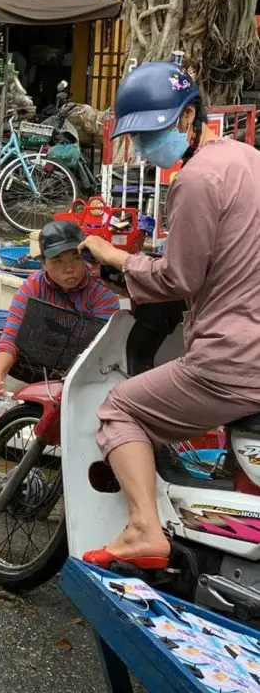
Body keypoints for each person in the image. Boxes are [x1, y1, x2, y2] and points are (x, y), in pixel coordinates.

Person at [79, 60, 260, 570]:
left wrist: (116, 258)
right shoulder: (247, 159)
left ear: (189, 118)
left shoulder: (196, 179)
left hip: (231, 359)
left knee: (121, 408)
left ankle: (143, 528)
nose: (143, 149)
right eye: (137, 139)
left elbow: (178, 279)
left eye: (153, 133)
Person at [0, 220, 121, 395]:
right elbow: (11, 335)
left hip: (83, 370)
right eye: (58, 261)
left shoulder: (101, 290)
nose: (69, 268)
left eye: (76, 258)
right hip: (42, 361)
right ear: (44, 263)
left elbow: (104, 348)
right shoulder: (33, 286)